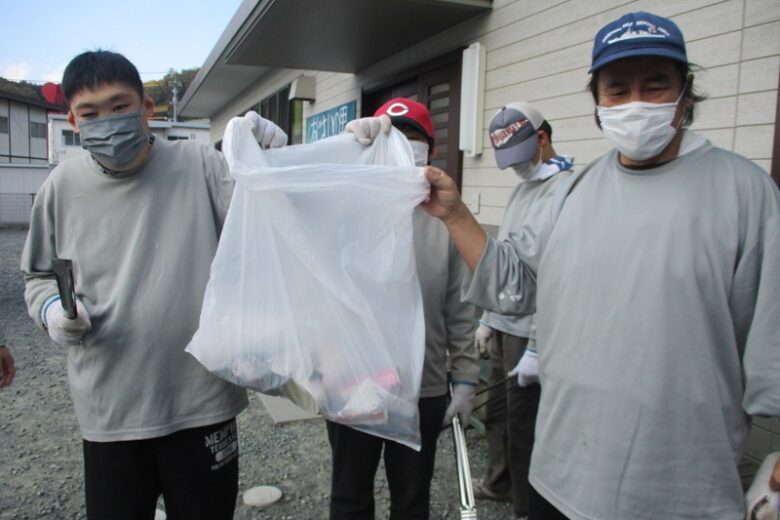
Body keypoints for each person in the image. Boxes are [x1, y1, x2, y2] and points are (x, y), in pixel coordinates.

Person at [419, 11, 780, 520]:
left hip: (682, 494)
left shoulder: (746, 194)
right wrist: (455, 213)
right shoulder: (573, 194)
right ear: (597, 103)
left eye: (655, 86)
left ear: (685, 94)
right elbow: (515, 290)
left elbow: (772, 348)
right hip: (559, 477)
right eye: (617, 89)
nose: (635, 102)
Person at [20, 50, 286, 519]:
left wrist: (270, 163)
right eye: (91, 113)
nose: (107, 121)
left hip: (202, 397)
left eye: (120, 107)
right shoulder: (60, 188)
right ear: (72, 120)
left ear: (147, 107)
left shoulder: (201, 165)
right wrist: (51, 314)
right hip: (109, 406)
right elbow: (39, 275)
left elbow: (266, 226)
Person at [326, 97, 479, 520]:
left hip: (422, 387)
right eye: (391, 137)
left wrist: (465, 377)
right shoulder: (345, 209)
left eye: (413, 139)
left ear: (429, 149)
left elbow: (460, 306)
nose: (402, 147)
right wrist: (340, 156)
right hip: (354, 382)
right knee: (350, 496)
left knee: (412, 498)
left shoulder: (444, 217)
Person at [471, 103, 574, 520]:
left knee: (524, 424)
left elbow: (556, 275)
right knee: (497, 415)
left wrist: (536, 344)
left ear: (543, 138)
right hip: (501, 323)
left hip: (529, 330)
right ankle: (499, 481)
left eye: (520, 156)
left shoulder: (566, 190)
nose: (516, 168)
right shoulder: (522, 189)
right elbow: (505, 262)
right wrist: (485, 319)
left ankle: (528, 507)